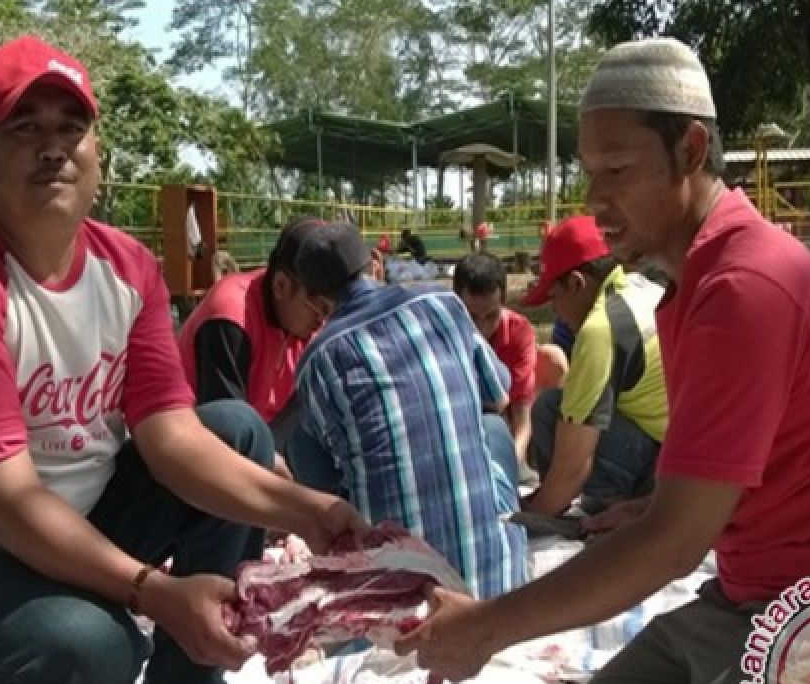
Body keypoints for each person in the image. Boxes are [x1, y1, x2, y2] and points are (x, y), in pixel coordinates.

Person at [398, 37, 810, 684]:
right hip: (759, 595)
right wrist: (658, 511)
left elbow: (671, 546)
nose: (597, 199)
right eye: (589, 173)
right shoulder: (698, 282)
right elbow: (721, 484)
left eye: (618, 171)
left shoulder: (746, 287)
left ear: (690, 148)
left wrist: (490, 626)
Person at [0, 35, 370, 684]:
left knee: (232, 431)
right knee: (89, 657)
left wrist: (310, 511)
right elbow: (8, 504)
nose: (53, 149)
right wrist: (158, 593)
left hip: (83, 514)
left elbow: (171, 438)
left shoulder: (128, 268)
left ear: (98, 154)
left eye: (70, 128)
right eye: (24, 129)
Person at [286, 221, 528, 599]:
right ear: (377, 264)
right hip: (498, 586)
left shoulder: (317, 362)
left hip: (396, 603)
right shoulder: (444, 304)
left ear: (316, 302)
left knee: (302, 441)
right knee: (493, 428)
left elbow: (327, 464)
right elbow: (498, 397)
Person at [519, 215, 668, 518]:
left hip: (657, 465)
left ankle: (604, 509)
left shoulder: (600, 328)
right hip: (680, 465)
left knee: (550, 408)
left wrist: (529, 518)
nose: (557, 312)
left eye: (554, 298)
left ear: (576, 283)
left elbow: (573, 468)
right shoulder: (643, 289)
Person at [177, 216, 327, 477]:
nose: (323, 318)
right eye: (317, 307)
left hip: (267, 431)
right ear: (281, 286)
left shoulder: (302, 322)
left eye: (329, 307)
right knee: (239, 425)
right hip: (200, 448)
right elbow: (227, 436)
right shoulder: (230, 317)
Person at [453, 252, 538, 466]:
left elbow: (522, 417)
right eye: (471, 317)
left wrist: (513, 463)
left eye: (491, 316)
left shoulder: (519, 331)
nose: (481, 329)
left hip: (501, 426)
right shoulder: (441, 332)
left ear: (504, 301)